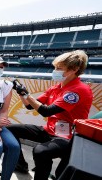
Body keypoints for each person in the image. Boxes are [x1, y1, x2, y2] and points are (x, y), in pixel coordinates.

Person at [7, 50, 93, 180]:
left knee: (40, 151)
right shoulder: (56, 87)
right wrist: (21, 92)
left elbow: (46, 111)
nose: (55, 71)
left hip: (68, 137)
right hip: (50, 130)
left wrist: (27, 95)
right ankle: (21, 165)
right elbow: (30, 105)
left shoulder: (79, 90)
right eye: (55, 67)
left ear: (74, 69)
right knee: (9, 130)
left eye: (59, 68)